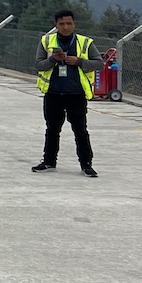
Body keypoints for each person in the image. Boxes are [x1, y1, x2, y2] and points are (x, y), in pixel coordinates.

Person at [32, 9, 100, 176]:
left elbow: (99, 64)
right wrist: (53, 59)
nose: (65, 27)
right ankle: (49, 162)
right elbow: (39, 65)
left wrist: (79, 61)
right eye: (61, 24)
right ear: (55, 25)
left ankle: (86, 164)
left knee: (80, 130)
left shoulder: (85, 42)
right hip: (53, 93)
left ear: (74, 24)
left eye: (69, 23)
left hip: (76, 94)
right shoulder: (46, 41)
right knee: (52, 129)